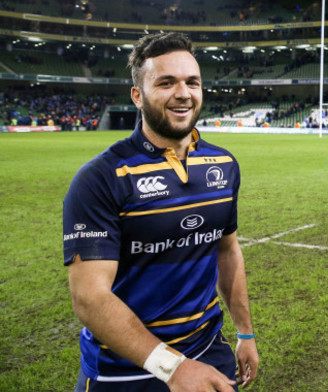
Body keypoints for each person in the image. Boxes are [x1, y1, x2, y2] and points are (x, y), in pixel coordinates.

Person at [63, 32, 259, 392]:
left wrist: (244, 333)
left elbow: (227, 251)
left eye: (192, 82)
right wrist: (173, 367)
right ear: (137, 95)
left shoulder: (223, 164)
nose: (183, 93)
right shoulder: (101, 178)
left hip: (207, 351)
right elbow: (89, 298)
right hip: (124, 370)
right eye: (166, 82)